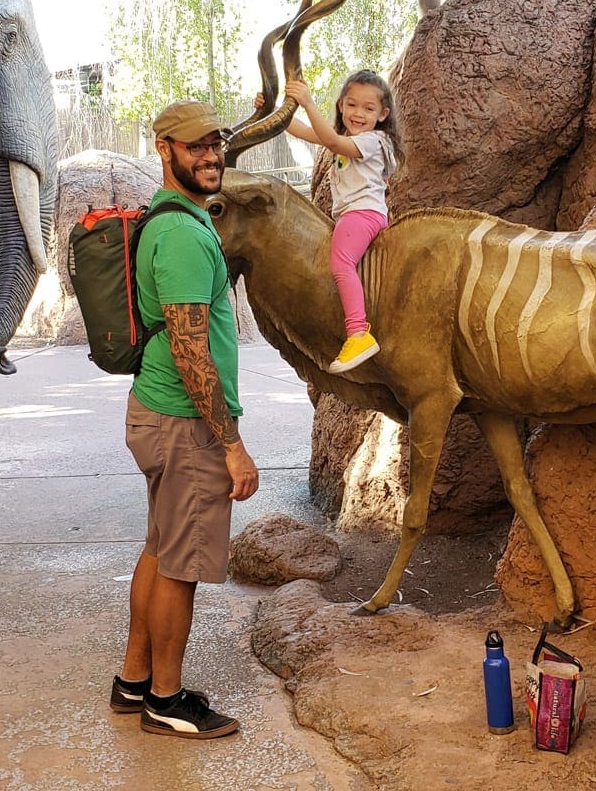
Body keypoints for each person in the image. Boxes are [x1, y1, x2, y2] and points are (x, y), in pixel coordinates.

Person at [109, 100, 259, 739]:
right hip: (185, 425)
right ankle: (165, 701)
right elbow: (192, 348)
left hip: (158, 413)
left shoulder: (172, 218)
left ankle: (133, 680)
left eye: (217, 143)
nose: (211, 155)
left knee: (160, 548)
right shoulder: (180, 235)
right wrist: (231, 444)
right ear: (164, 149)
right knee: (181, 565)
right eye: (196, 146)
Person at [258, 70, 404, 373]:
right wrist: (270, 110)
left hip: (363, 213)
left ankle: (358, 333)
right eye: (352, 105)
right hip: (355, 216)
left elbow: (330, 141)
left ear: (383, 114)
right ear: (341, 106)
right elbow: (301, 131)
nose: (358, 113)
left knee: (340, 264)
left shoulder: (375, 141)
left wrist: (309, 103)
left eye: (368, 108)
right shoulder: (347, 139)